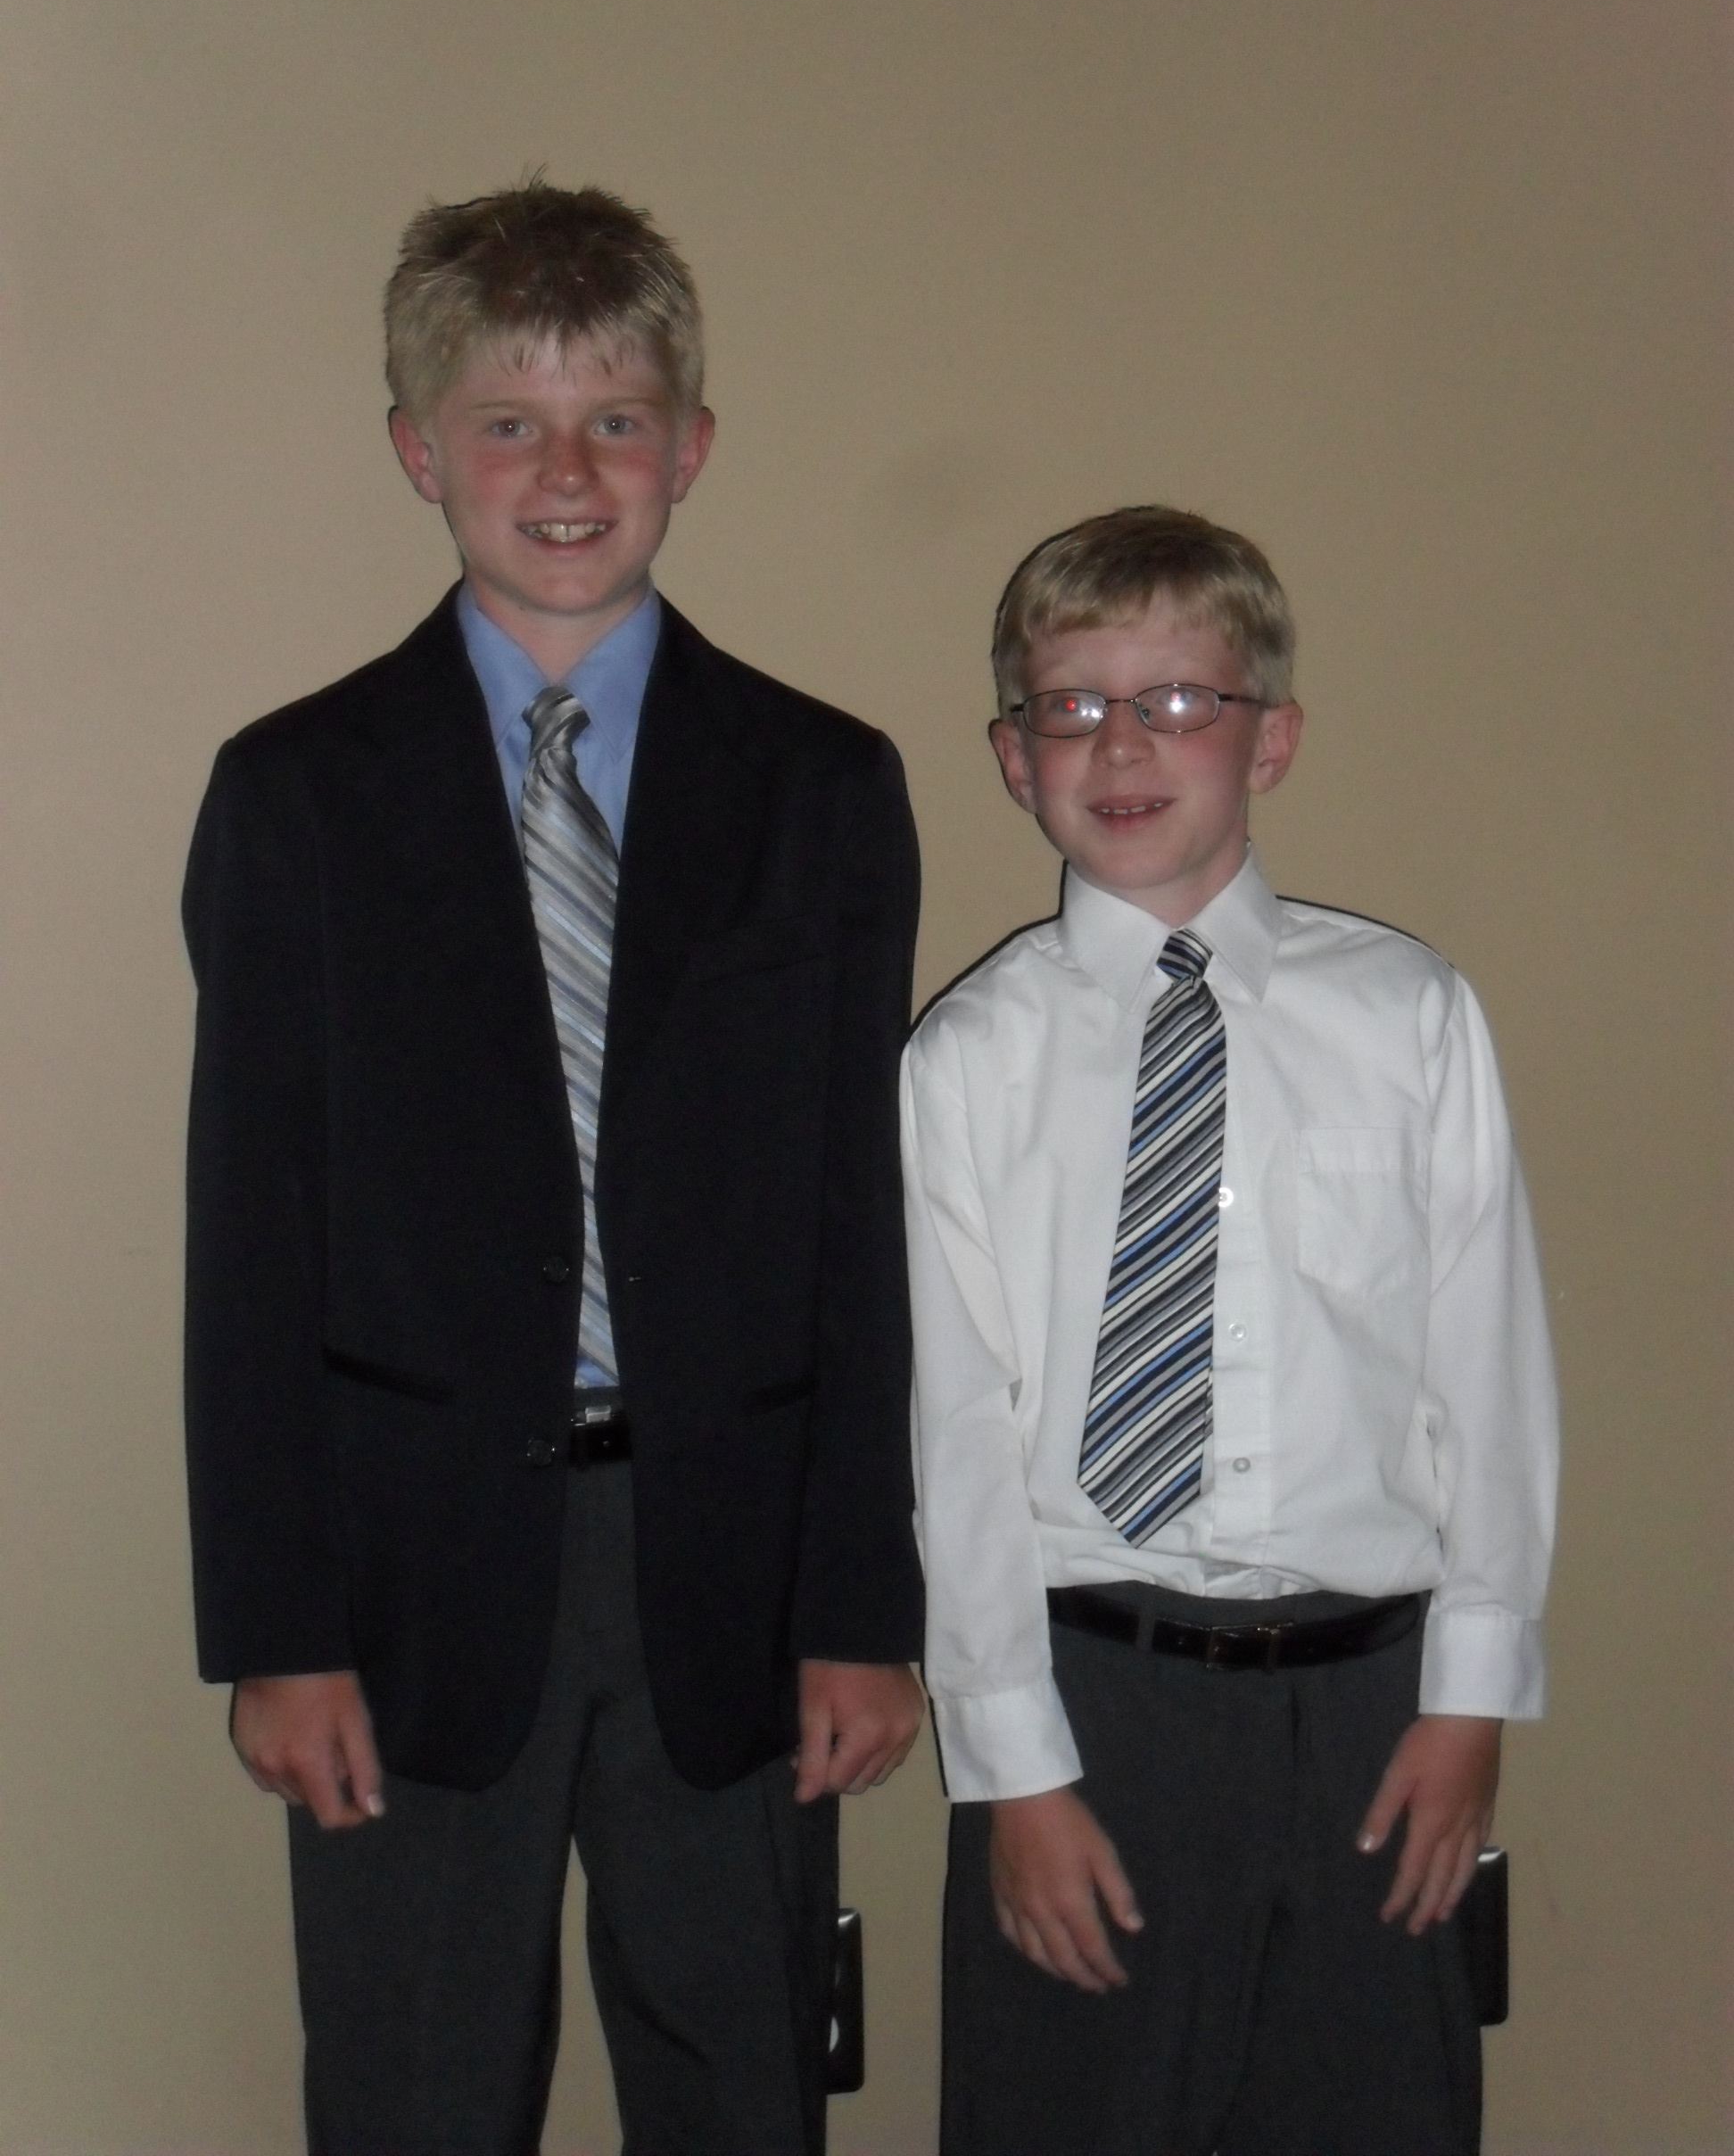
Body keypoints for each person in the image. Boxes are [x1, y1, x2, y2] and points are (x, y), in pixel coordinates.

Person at [183, 179, 926, 2156]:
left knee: (744, 2091)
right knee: (415, 2097)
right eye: (509, 423)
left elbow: (861, 1229)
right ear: (421, 451)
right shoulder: (296, 795)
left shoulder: (822, 787)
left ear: (692, 446)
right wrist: (278, 1630)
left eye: (616, 420)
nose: (568, 471)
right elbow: (248, 1243)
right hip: (405, 1586)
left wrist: (863, 1599)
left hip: (734, 1572)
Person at [903, 505, 1557, 2156]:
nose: (1122, 745)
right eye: (1073, 706)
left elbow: (1489, 1379)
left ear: (1270, 739)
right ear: (1013, 756)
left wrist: (1471, 1697)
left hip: (1375, 1706)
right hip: (1095, 1704)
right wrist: (1015, 1770)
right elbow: (955, 1436)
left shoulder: (1409, 1016)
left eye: (1180, 701)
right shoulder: (968, 1061)